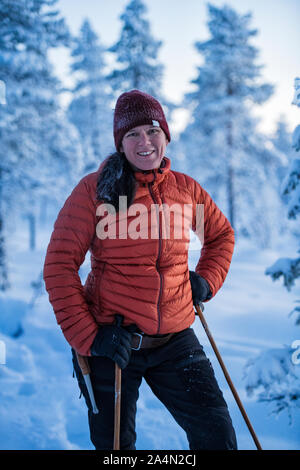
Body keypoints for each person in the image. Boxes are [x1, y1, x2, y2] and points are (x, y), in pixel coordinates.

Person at [43, 89, 237, 450]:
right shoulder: (95, 191)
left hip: (176, 338)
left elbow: (221, 235)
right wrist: (90, 337)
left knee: (218, 436)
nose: (144, 142)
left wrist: (207, 279)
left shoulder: (186, 190)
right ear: (120, 143)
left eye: (152, 131)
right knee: (115, 450)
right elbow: (59, 266)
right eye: (132, 134)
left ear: (165, 136)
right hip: (112, 341)